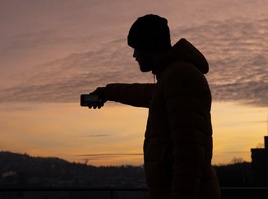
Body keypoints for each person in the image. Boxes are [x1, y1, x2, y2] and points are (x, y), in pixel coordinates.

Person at [89, 14, 220, 199]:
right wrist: (106, 92)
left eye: (136, 48)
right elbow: (145, 94)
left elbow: (189, 154)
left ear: (148, 46)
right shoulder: (171, 77)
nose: (134, 55)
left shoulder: (181, 77)